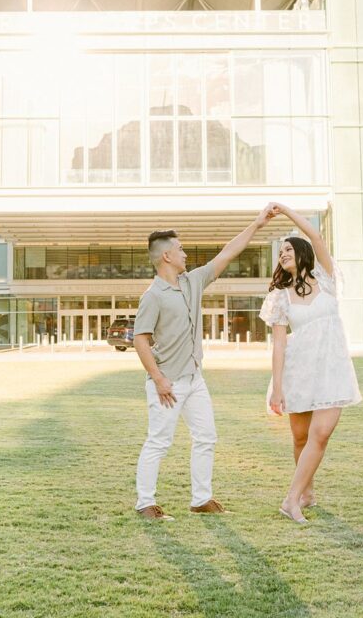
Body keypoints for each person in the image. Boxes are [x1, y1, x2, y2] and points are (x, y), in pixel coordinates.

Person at [133, 205, 278, 521]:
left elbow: (227, 254)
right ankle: (145, 503)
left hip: (194, 379)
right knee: (159, 441)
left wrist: (257, 223)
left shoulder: (192, 281)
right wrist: (158, 379)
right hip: (167, 384)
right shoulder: (152, 296)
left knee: (206, 436)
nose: (186, 253)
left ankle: (201, 499)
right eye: (181, 249)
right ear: (166, 256)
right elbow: (140, 339)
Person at [259, 202, 362, 523]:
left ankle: (291, 500)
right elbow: (278, 345)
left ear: (303, 253)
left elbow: (315, 234)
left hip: (332, 369)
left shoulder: (327, 278)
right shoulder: (279, 296)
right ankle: (307, 491)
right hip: (298, 370)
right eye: (280, 252)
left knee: (321, 434)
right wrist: (277, 388)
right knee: (301, 438)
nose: (283, 254)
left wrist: (286, 212)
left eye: (288, 249)